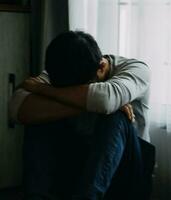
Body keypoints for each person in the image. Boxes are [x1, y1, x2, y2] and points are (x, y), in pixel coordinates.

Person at [9, 31, 151, 200]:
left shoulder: (136, 69)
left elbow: (105, 100)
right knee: (38, 116)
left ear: (102, 68)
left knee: (115, 117)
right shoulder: (59, 71)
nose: (74, 95)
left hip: (127, 170)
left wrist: (43, 90)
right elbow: (17, 109)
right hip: (78, 164)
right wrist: (86, 104)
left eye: (81, 90)